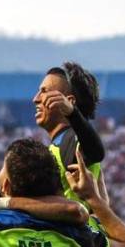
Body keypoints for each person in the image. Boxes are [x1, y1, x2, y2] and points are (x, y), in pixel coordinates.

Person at [32, 62, 105, 205]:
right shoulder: (61, 142)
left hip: (75, 226)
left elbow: (95, 152)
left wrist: (72, 113)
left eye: (44, 91)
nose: (36, 99)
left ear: (69, 101)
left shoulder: (69, 139)